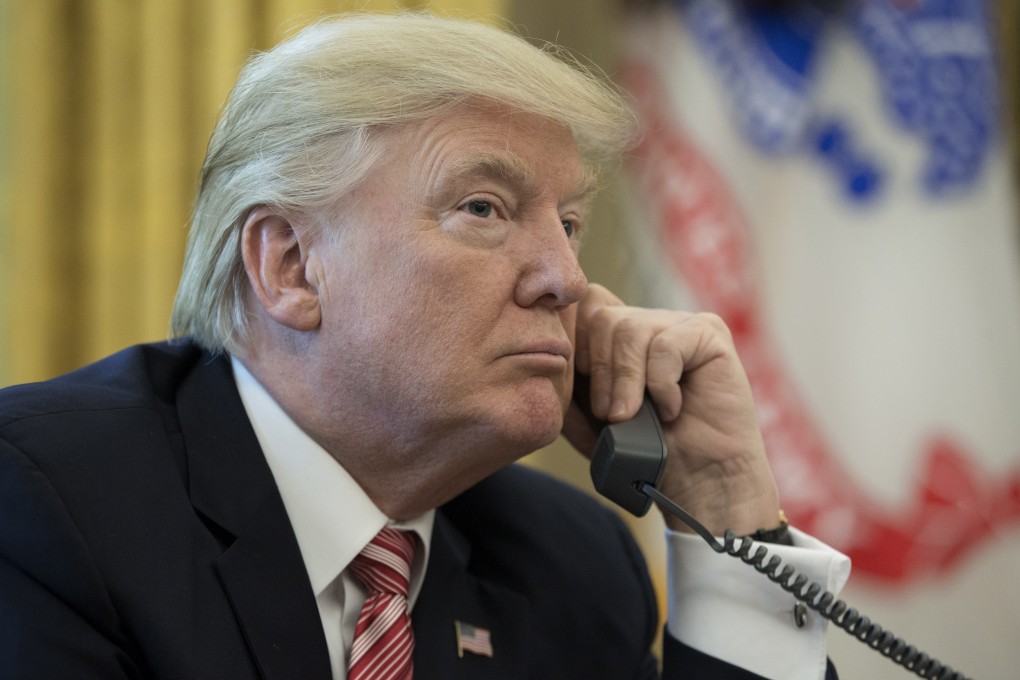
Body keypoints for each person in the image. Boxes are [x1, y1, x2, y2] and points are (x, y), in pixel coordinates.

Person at [0, 12, 849, 680]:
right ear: (291, 266)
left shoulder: (572, 564)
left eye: (571, 224)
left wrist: (731, 506)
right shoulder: (46, 499)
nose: (566, 279)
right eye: (483, 208)